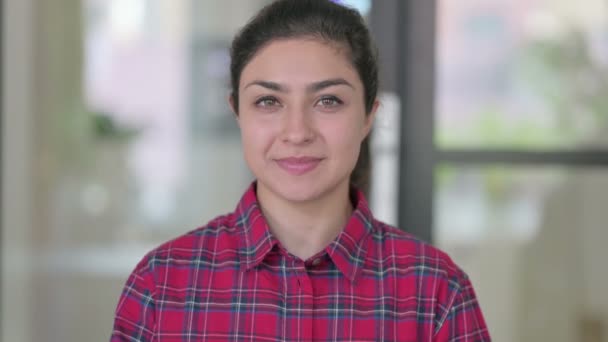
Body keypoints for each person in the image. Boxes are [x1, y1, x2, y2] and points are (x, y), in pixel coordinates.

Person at [110, 0, 491, 341]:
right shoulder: (161, 287)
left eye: (328, 100)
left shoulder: (437, 293)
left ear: (368, 118)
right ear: (237, 113)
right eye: (268, 101)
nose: (296, 132)